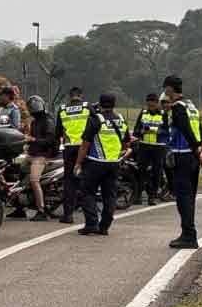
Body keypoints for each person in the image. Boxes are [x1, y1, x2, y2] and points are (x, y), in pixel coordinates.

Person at [75, 93, 132, 237]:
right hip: (113, 164)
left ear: (100, 104)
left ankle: (91, 224)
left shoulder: (95, 119)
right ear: (114, 104)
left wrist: (78, 163)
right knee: (110, 196)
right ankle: (104, 226)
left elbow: (85, 144)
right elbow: (126, 143)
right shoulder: (121, 119)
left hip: (95, 162)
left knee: (87, 192)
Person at [163, 75, 202, 249]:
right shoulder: (191, 106)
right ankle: (188, 233)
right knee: (190, 196)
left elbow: (187, 131)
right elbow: (199, 131)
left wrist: (195, 148)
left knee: (183, 197)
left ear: (170, 89)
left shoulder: (178, 108)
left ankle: (189, 235)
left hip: (183, 155)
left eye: (165, 88)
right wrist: (200, 152)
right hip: (193, 157)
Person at [16, 95, 56, 221]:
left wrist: (33, 140)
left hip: (42, 155)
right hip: (32, 154)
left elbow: (49, 141)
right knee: (18, 173)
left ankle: (41, 210)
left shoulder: (48, 121)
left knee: (34, 180)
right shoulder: (34, 122)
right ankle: (19, 207)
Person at [56, 87, 90, 223]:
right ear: (81, 95)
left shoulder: (63, 109)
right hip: (85, 147)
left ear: (70, 96)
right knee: (86, 181)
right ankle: (89, 215)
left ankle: (68, 215)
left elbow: (57, 132)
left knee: (69, 182)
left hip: (69, 148)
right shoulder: (87, 108)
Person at [133, 93, 168, 206]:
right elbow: (136, 130)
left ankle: (152, 197)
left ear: (157, 103)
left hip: (158, 147)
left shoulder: (163, 114)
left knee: (157, 172)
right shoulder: (143, 113)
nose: (151, 107)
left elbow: (168, 131)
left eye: (153, 105)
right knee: (141, 171)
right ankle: (137, 196)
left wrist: (157, 131)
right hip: (144, 146)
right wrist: (141, 132)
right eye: (149, 105)